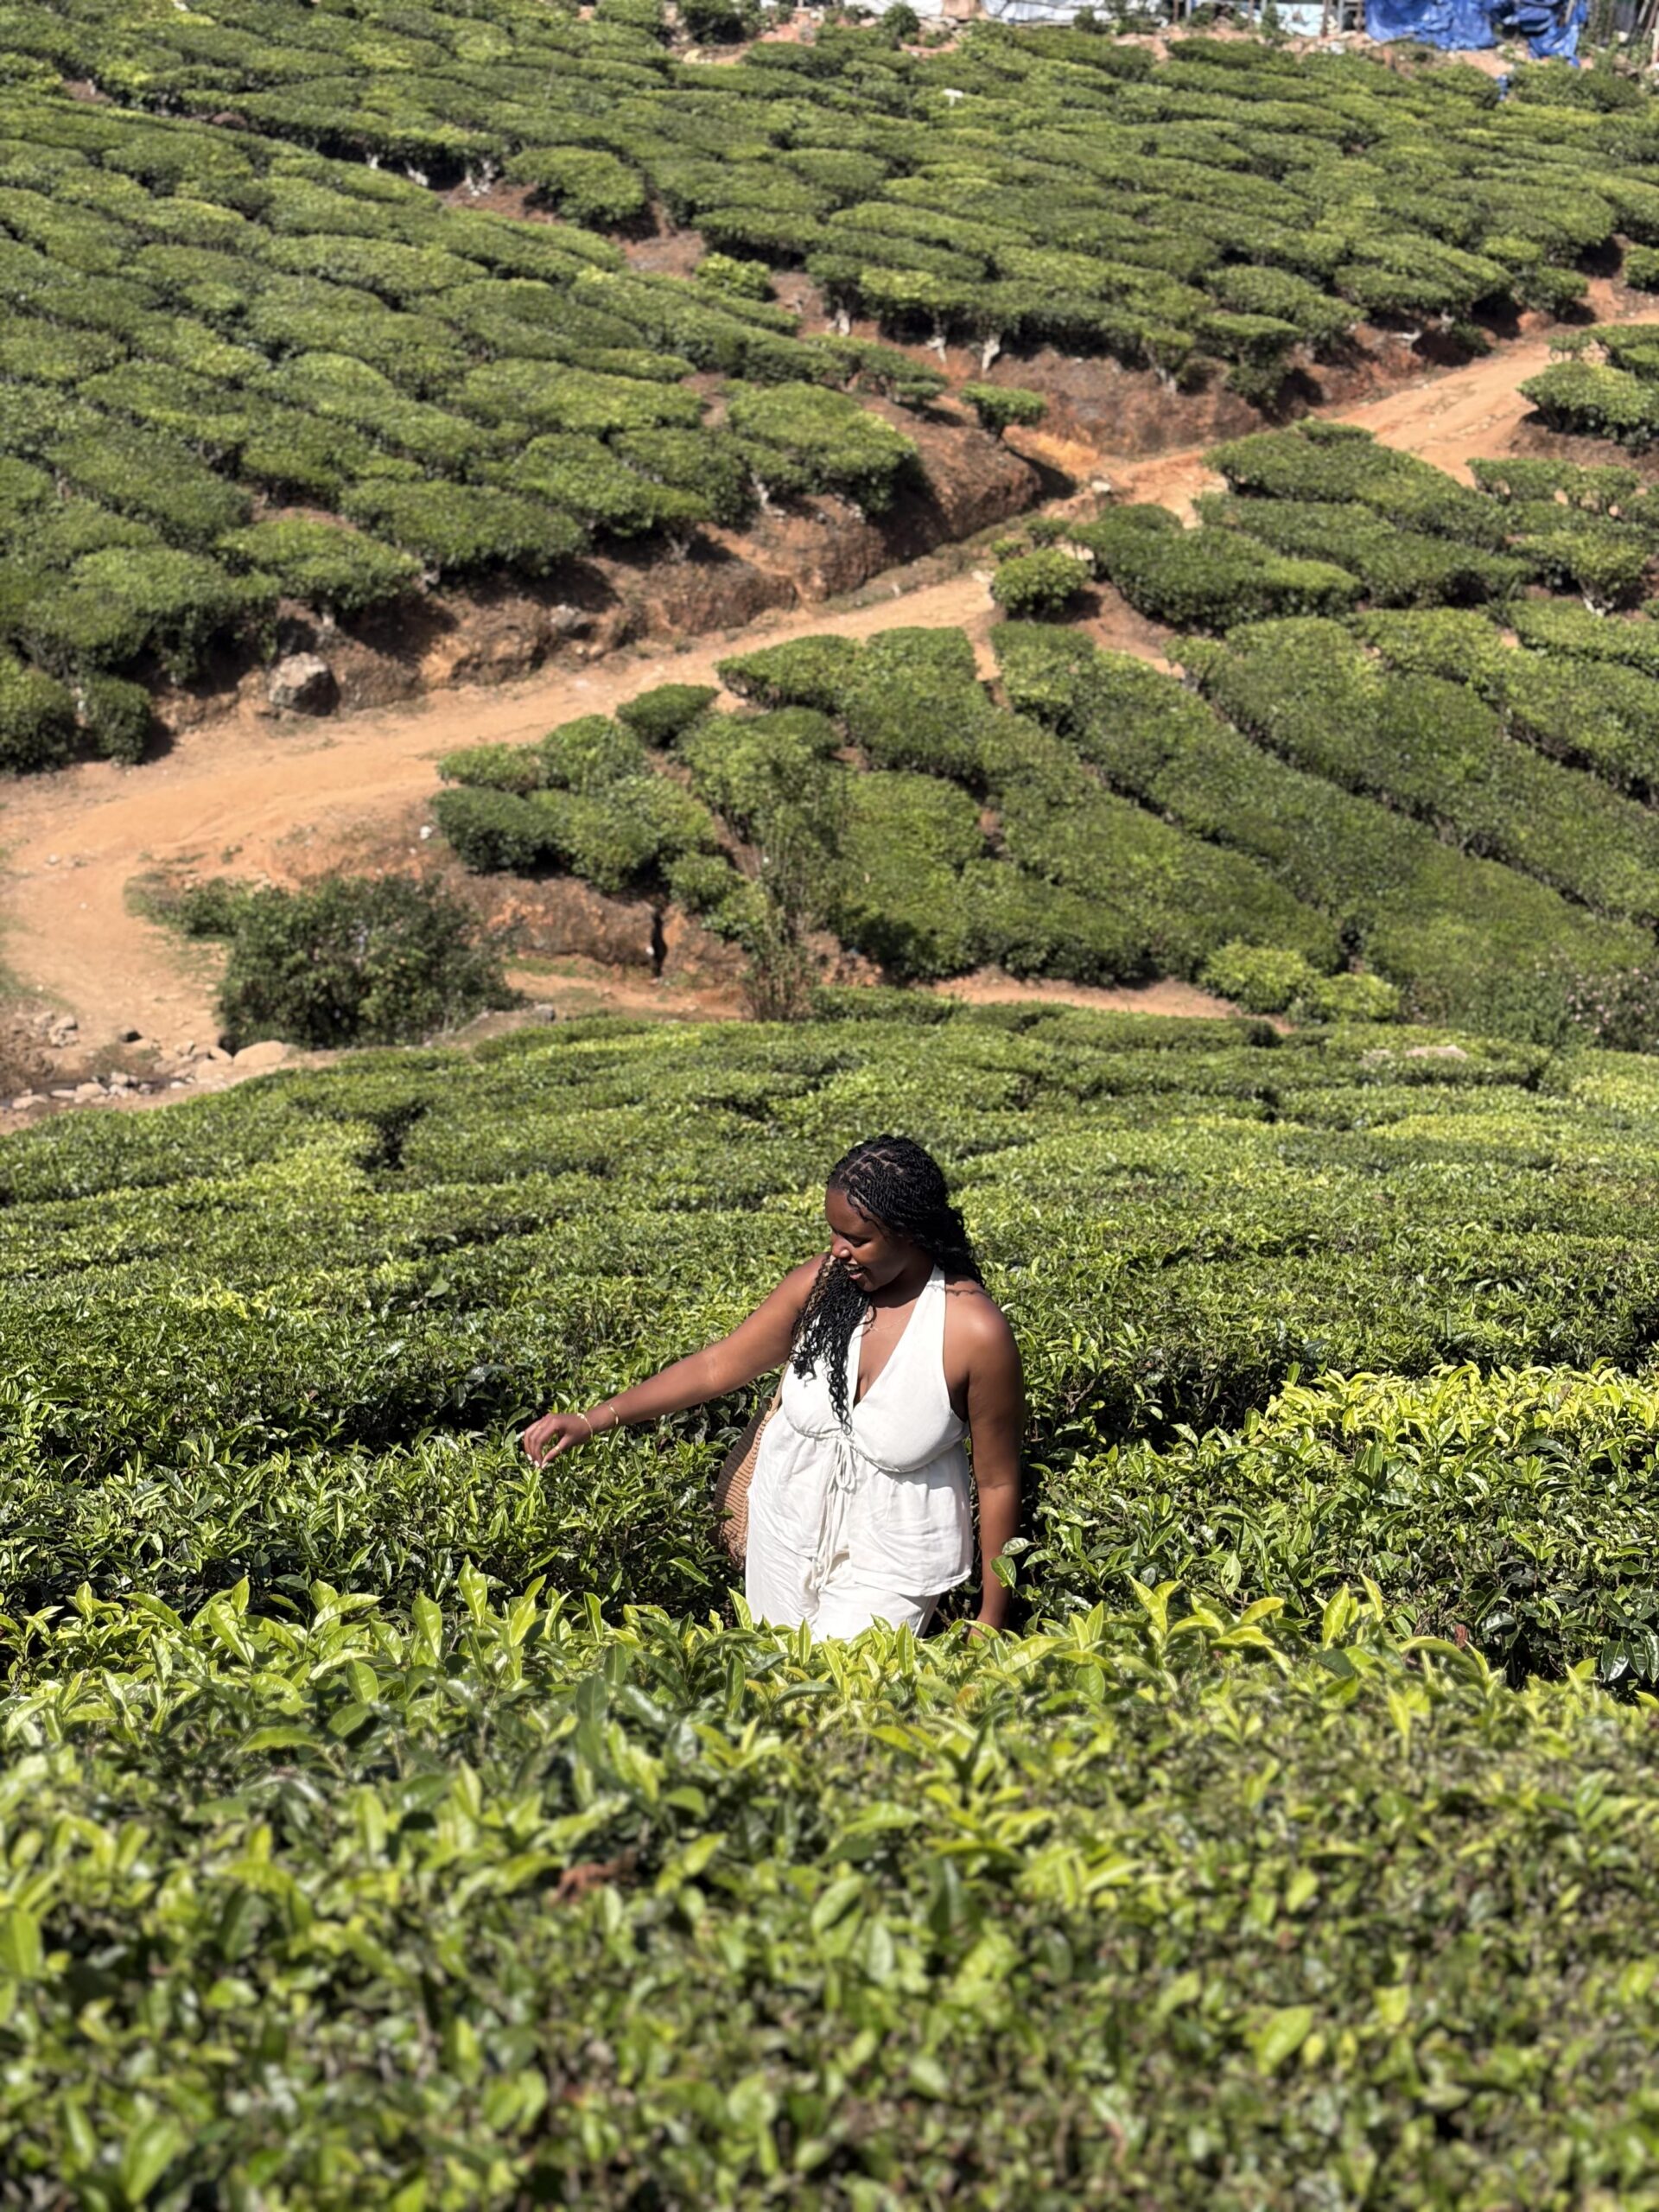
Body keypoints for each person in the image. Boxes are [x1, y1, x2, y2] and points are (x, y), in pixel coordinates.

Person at [521, 1134, 1024, 1638]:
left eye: (857, 1240)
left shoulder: (972, 1333)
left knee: (841, 1697)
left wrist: (991, 1616)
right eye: (833, 1233)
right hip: (781, 1535)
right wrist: (593, 1419)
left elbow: (998, 1482)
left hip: (893, 1560)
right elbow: (718, 1366)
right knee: (774, 1685)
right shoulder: (822, 1284)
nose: (838, 1251)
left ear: (910, 1232)